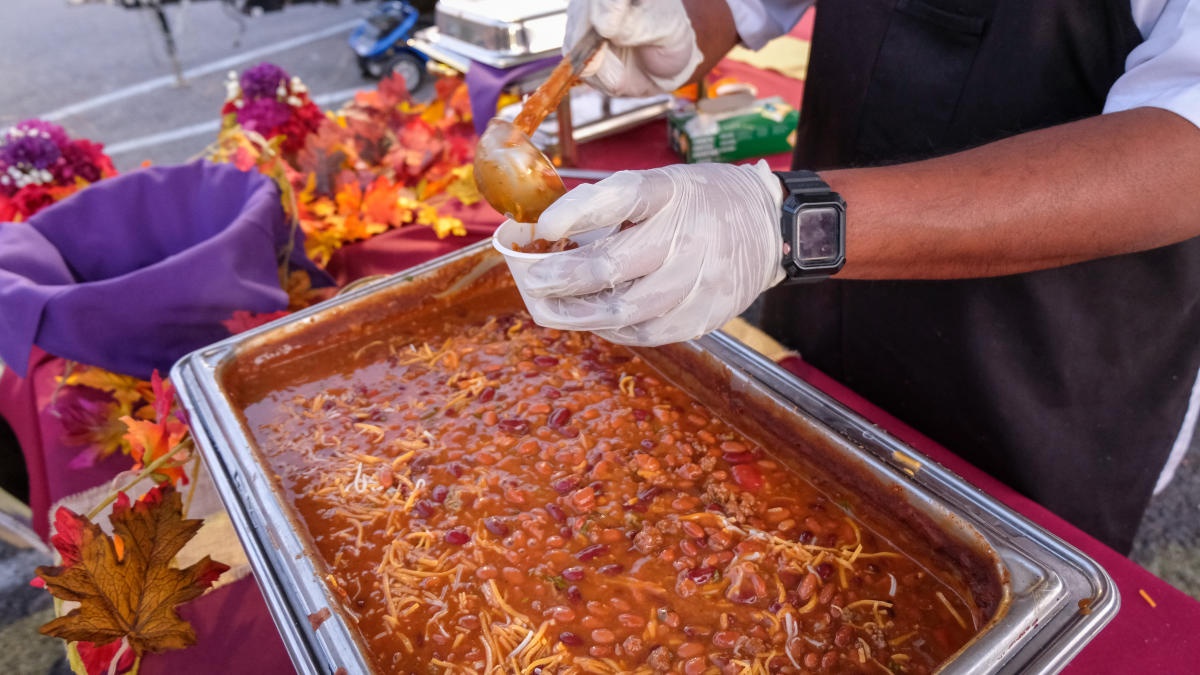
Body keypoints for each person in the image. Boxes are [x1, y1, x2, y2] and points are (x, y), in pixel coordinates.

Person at [519, 0, 1200, 553]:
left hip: (1042, 361)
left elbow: (1184, 150)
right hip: (825, 299)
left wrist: (790, 224)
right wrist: (682, 25)